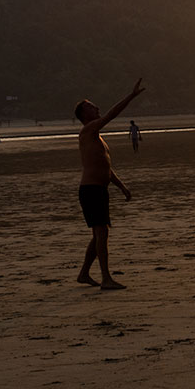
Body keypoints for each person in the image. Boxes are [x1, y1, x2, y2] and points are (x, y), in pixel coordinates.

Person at [74, 79, 145, 290]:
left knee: (99, 233)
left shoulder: (97, 137)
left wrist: (121, 186)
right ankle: (106, 278)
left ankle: (84, 273)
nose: (96, 107)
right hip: (91, 190)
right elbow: (111, 115)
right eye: (91, 106)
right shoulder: (88, 131)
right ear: (84, 115)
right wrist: (131, 96)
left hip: (99, 190)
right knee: (102, 233)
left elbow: (105, 168)